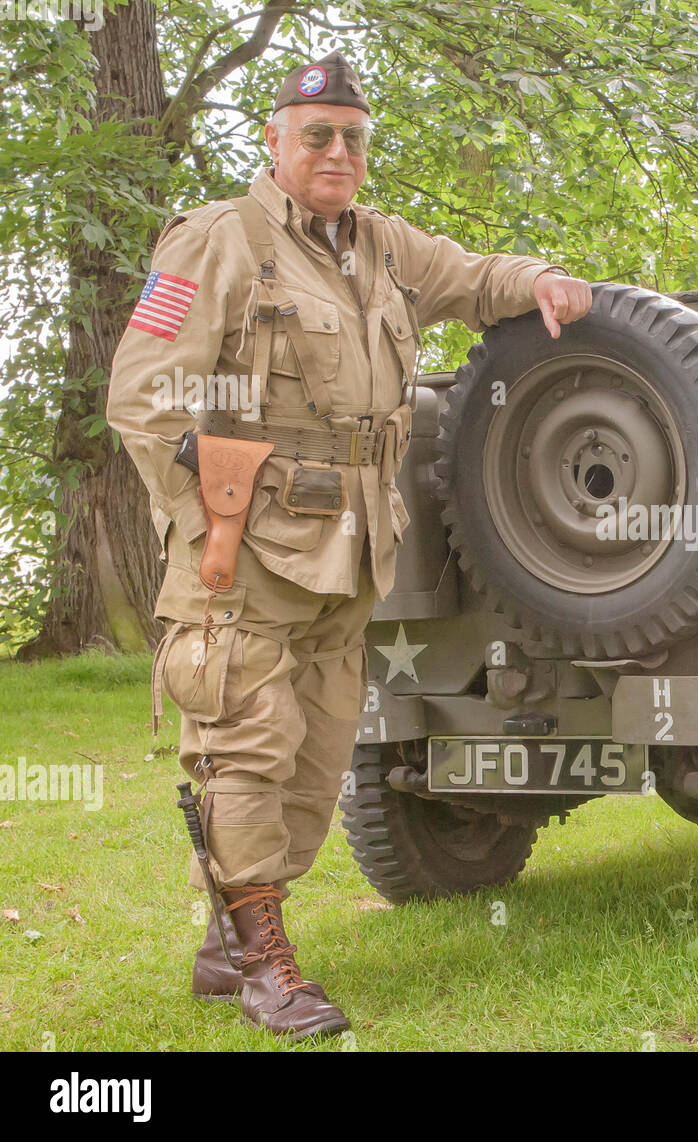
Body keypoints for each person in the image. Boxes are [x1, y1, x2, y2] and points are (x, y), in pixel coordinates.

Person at [106, 50, 592, 1039]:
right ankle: (262, 962)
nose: (336, 150)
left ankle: (226, 931)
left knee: (316, 766)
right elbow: (142, 396)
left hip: (352, 549)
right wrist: (209, 510)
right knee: (246, 751)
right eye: (316, 133)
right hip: (244, 550)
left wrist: (538, 278)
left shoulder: (379, 246)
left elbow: (469, 278)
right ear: (275, 141)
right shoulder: (217, 239)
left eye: (353, 137)